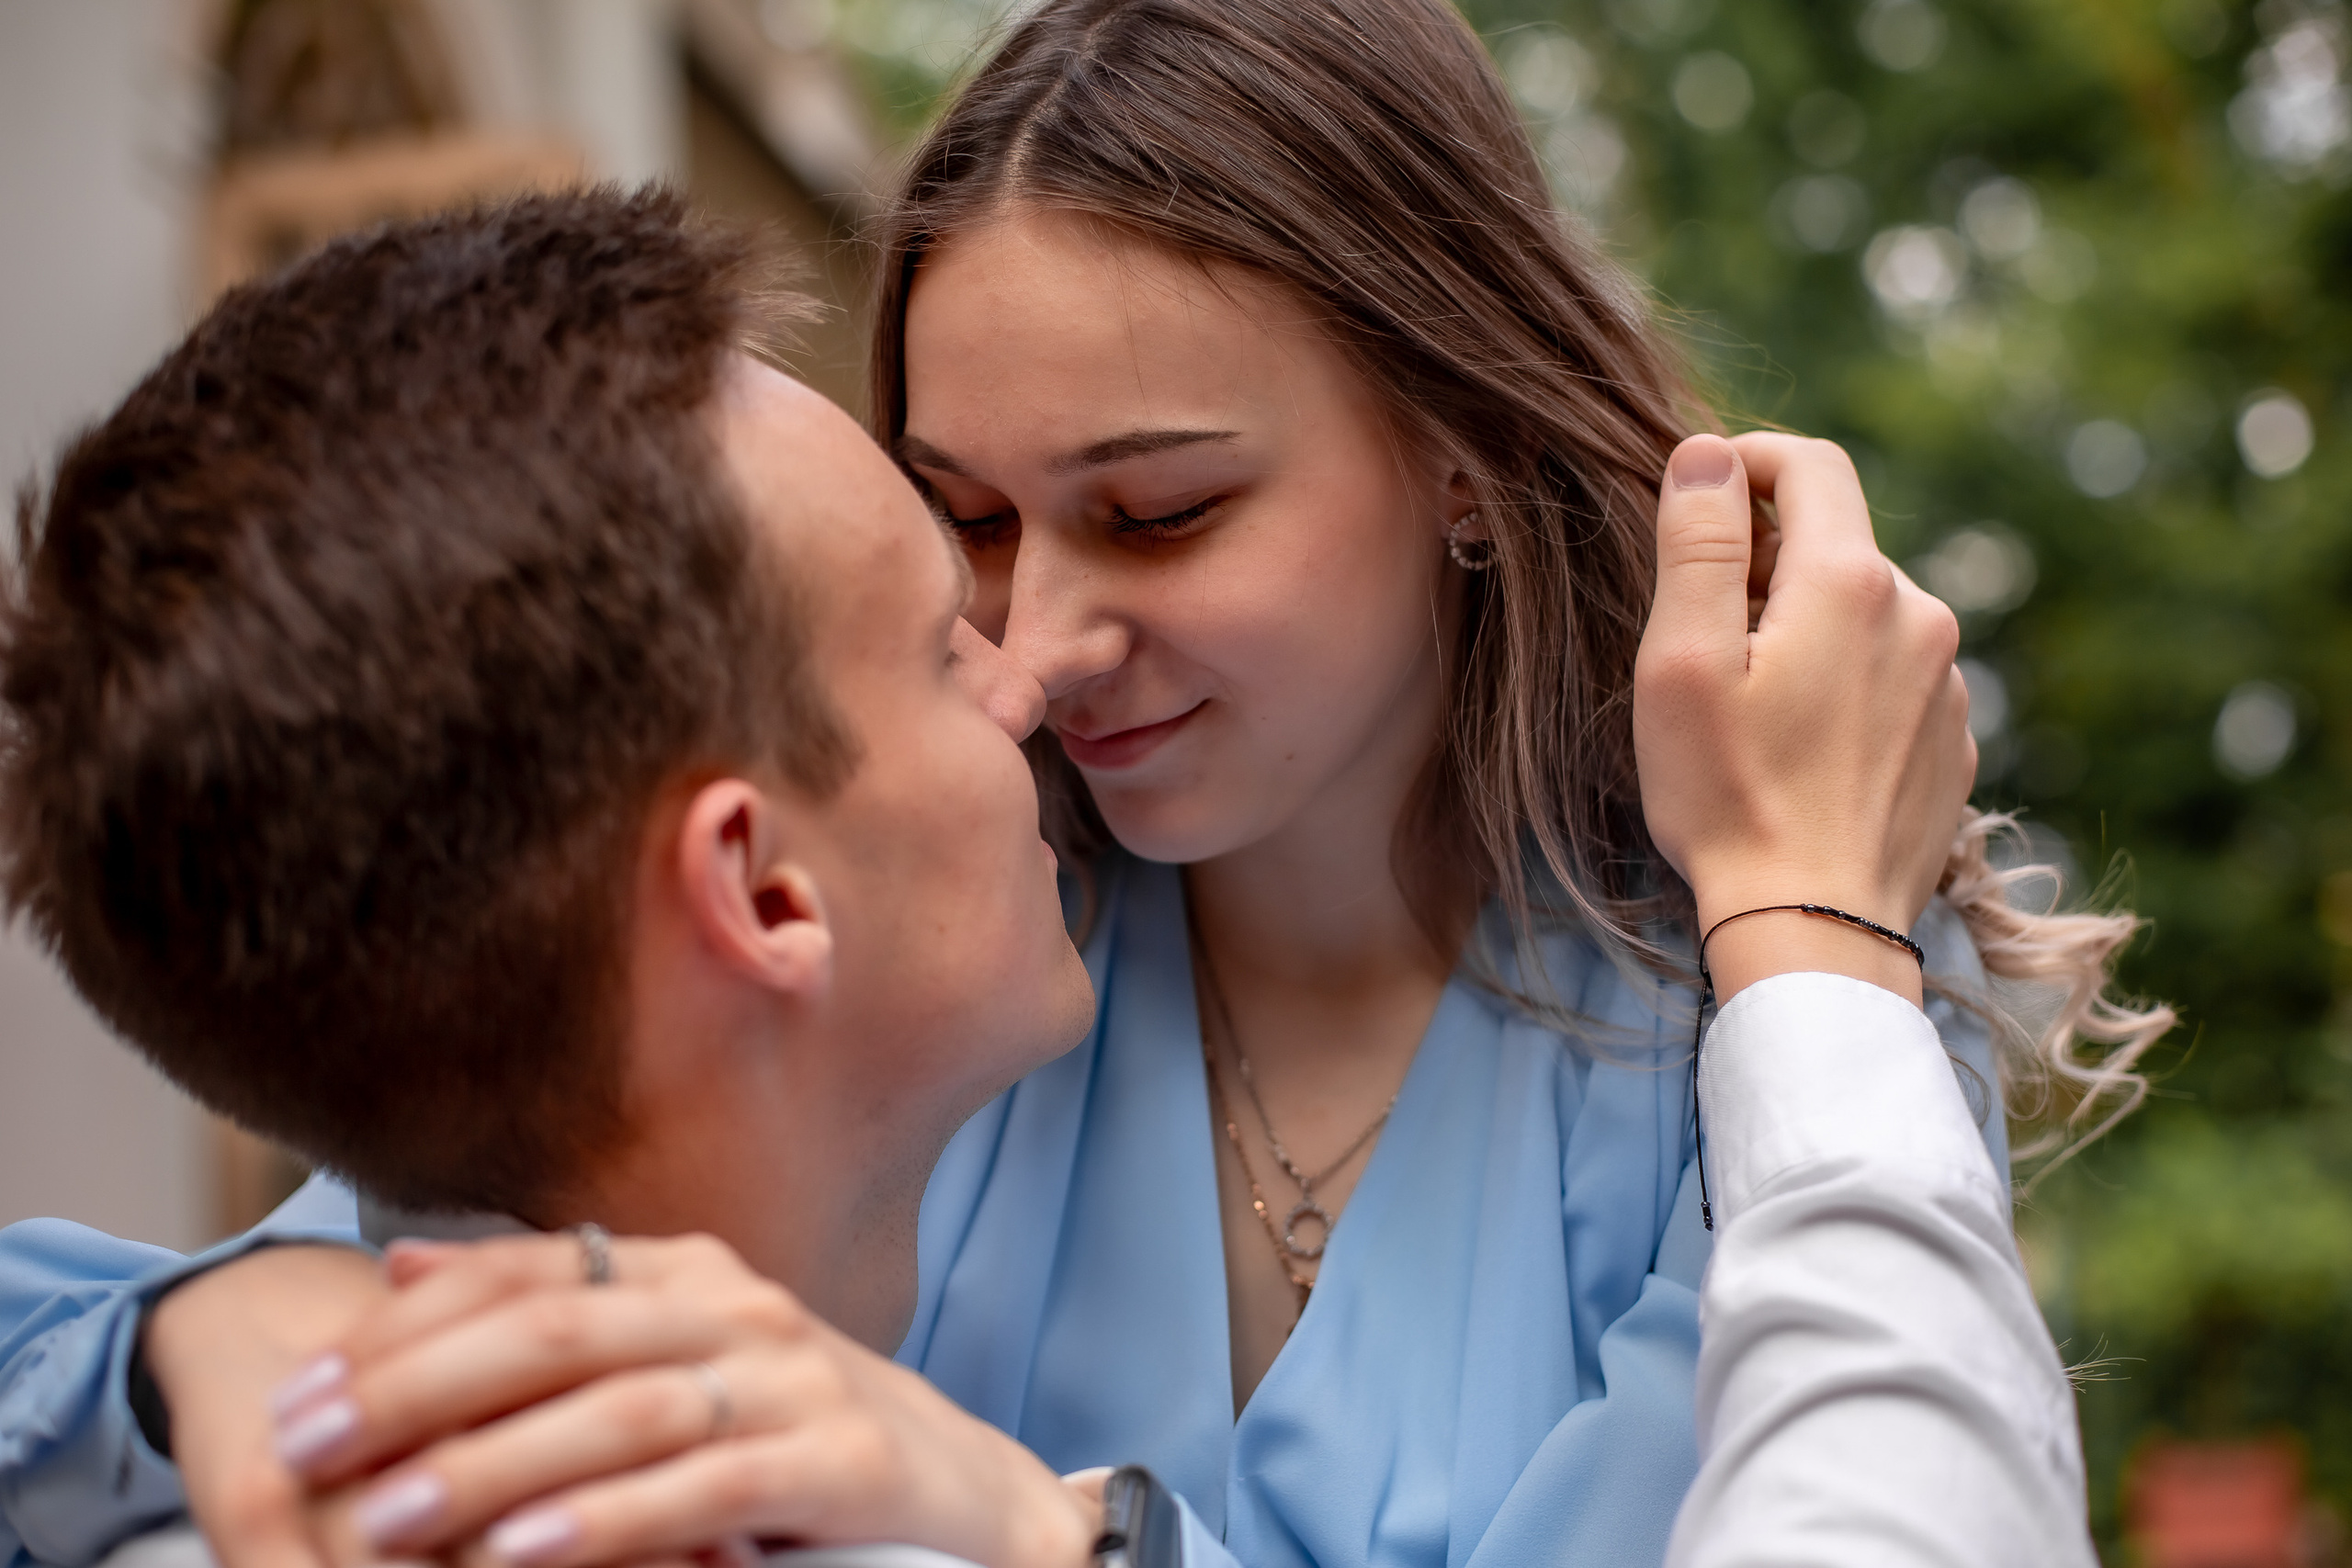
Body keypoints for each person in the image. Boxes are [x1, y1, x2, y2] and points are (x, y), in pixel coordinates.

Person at [3, 0, 2173, 1561]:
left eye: (1151, 513)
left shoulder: (1783, 1002)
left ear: (1462, 463)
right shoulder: (904, 949)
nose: (1035, 644)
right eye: (960, 519)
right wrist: (228, 1318)